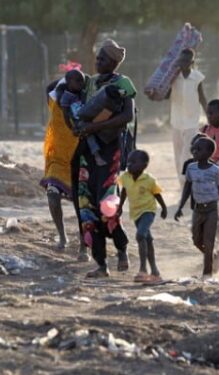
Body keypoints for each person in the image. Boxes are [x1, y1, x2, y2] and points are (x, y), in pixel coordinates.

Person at [73, 39, 136, 278]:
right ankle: (101, 264)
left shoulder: (122, 84)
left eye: (102, 59)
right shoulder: (90, 83)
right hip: (88, 151)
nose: (98, 62)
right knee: (86, 204)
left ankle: (121, 249)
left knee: (107, 204)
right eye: (97, 58)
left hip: (110, 150)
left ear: (113, 62)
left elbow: (127, 116)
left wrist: (95, 127)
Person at [40, 70, 84, 255]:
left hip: (79, 159)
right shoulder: (54, 102)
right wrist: (68, 77)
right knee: (52, 196)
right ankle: (62, 236)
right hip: (57, 160)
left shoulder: (82, 106)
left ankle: (84, 243)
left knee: (81, 204)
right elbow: (50, 87)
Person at [175, 137, 219, 280]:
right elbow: (187, 188)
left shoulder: (215, 170)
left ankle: (207, 274)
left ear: (210, 152)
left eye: (199, 149)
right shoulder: (191, 168)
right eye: (194, 149)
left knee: (209, 241)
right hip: (198, 209)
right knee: (196, 239)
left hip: (212, 209)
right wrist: (180, 206)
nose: (195, 151)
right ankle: (212, 256)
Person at [116, 150, 167, 284]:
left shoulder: (149, 180)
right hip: (136, 212)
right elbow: (124, 191)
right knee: (147, 239)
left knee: (140, 235)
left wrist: (164, 208)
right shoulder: (125, 177)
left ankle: (143, 269)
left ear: (144, 165)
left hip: (148, 211)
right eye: (128, 162)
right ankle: (155, 271)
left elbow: (157, 194)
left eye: (133, 162)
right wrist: (120, 207)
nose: (129, 165)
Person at [169, 48, 208, 185]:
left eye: (186, 60)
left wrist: (209, 116)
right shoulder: (173, 77)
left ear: (192, 62)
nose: (183, 63)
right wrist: (167, 81)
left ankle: (186, 182)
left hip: (192, 121)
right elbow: (165, 95)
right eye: (181, 60)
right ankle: (182, 184)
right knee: (178, 154)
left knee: (187, 154)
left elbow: (202, 97)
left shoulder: (197, 77)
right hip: (176, 120)